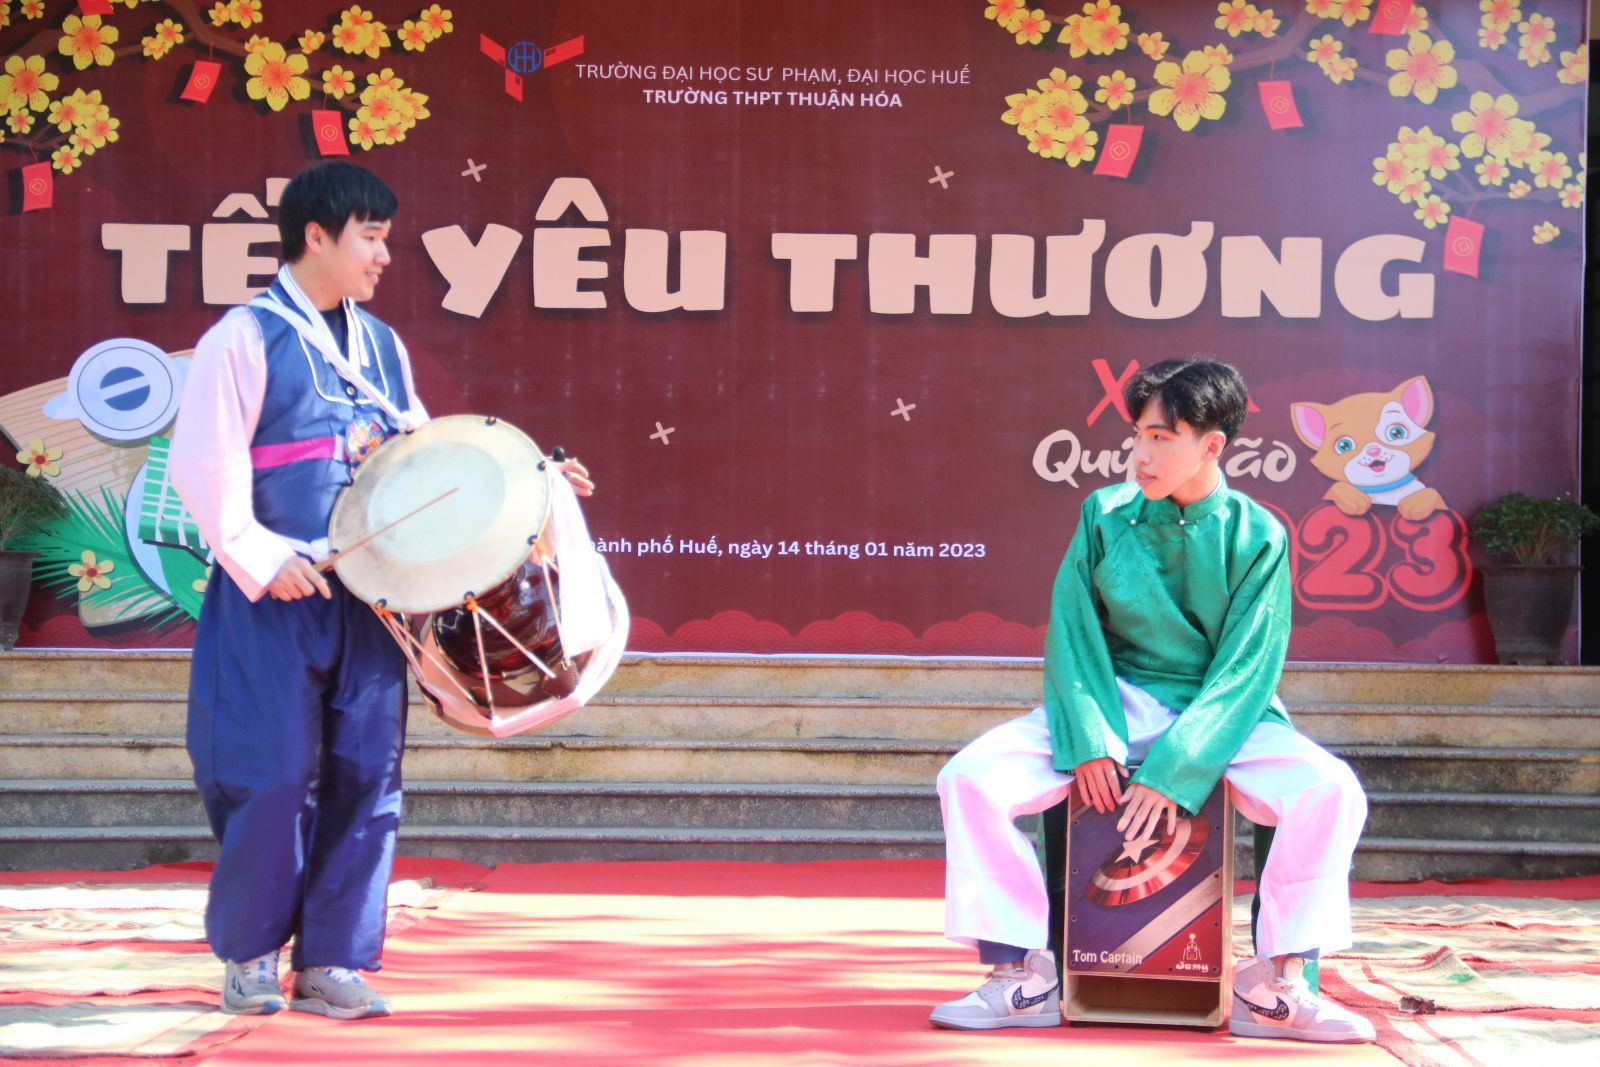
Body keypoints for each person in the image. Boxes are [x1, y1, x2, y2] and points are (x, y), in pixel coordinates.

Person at [169, 162, 591, 1019]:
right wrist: (257, 555)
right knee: (271, 772)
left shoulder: (384, 347)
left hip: (372, 598)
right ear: (314, 236)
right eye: (370, 236)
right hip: (271, 599)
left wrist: (535, 483)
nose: (384, 256)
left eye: (385, 239)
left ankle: (333, 958)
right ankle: (252, 952)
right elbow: (202, 468)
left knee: (369, 772)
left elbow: (425, 464)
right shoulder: (242, 339)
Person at [929, 358, 1375, 1044]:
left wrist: (1175, 771)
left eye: (1163, 437)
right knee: (970, 777)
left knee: (1331, 790)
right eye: (1138, 434)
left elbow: (1247, 666)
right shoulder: (1103, 513)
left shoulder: (1259, 534)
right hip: (1116, 698)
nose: (1141, 453)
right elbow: (1074, 631)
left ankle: (1279, 983)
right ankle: (1020, 972)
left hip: (1222, 712)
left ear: (1213, 445)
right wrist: (1089, 739)